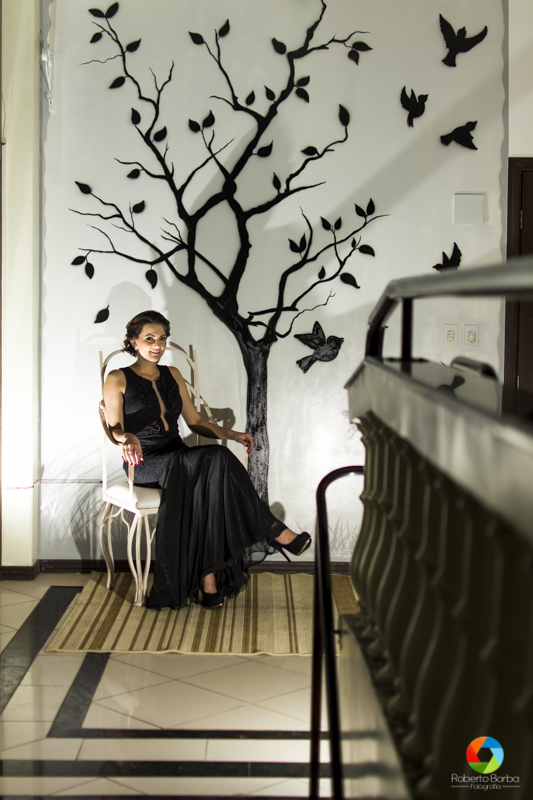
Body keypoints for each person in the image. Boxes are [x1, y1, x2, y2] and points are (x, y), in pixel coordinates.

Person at [103, 310, 312, 610]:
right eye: (149, 339)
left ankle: (209, 583)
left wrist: (233, 434)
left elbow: (196, 422)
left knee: (211, 475)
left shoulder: (173, 375)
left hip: (178, 456)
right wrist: (127, 437)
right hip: (144, 462)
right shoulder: (117, 378)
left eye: (162, 338)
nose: (157, 345)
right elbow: (113, 427)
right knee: (215, 459)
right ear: (133, 341)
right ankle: (274, 531)